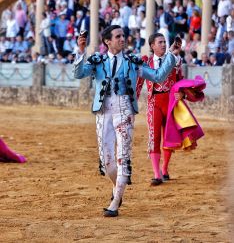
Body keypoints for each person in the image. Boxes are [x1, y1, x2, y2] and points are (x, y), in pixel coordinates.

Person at [73, 25, 181, 217]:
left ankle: (116, 201)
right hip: (103, 111)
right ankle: (117, 186)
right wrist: (81, 51)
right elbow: (79, 73)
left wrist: (171, 55)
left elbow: (157, 76)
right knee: (107, 161)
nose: (122, 39)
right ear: (107, 41)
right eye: (118, 36)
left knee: (123, 157)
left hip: (124, 109)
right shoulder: (98, 61)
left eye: (123, 36)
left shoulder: (132, 62)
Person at [136, 33, 183, 186]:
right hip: (154, 102)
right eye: (160, 42)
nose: (163, 44)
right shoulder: (145, 62)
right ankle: (156, 174)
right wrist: (131, 105)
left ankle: (164, 168)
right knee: (154, 137)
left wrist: (182, 93)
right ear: (152, 46)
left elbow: (180, 81)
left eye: (164, 42)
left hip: (170, 101)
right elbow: (138, 85)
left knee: (168, 136)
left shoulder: (175, 60)